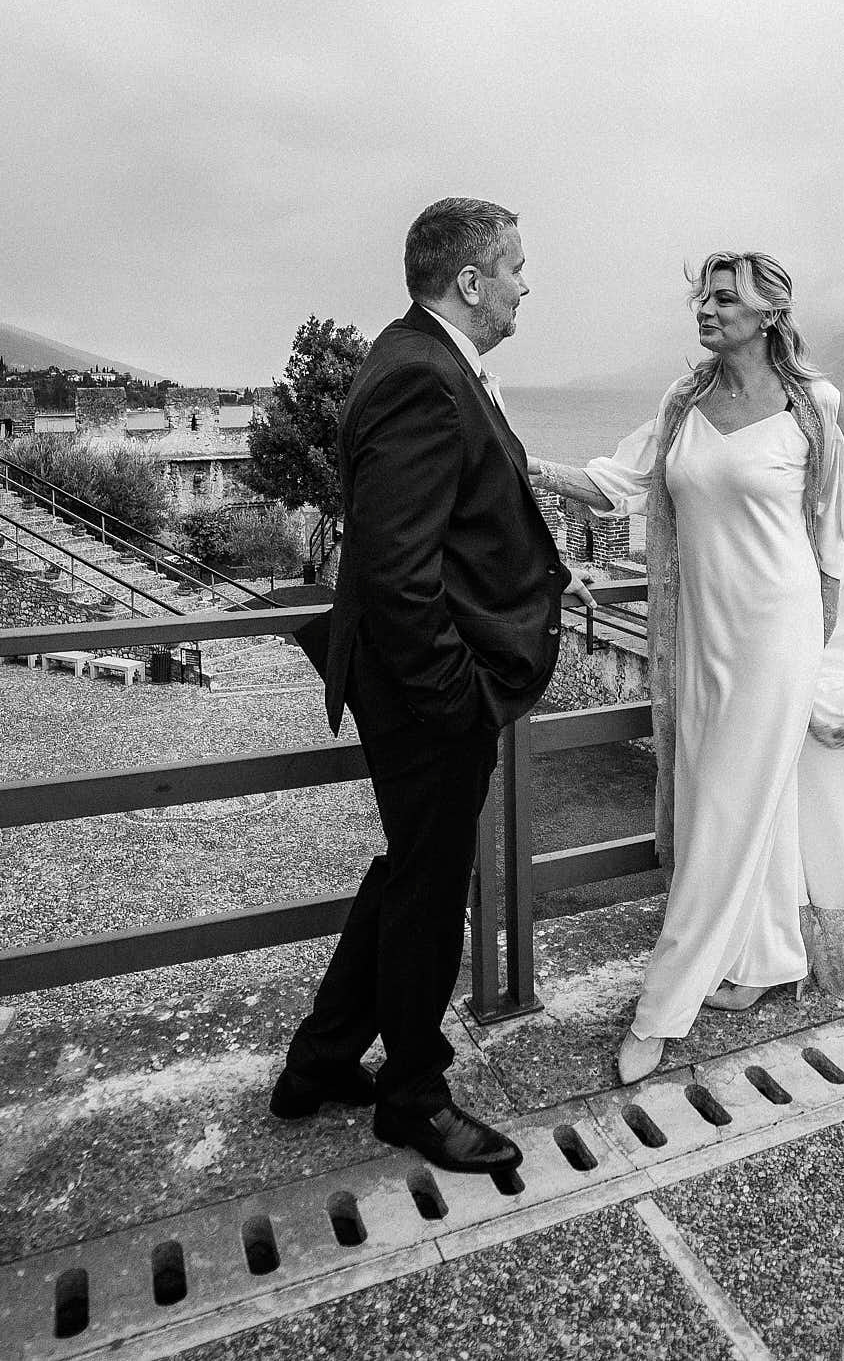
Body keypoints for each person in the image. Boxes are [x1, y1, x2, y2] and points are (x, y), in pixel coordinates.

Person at [530, 251, 844, 1085]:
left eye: (724, 298)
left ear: (768, 313)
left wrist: (819, 642)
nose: (706, 308)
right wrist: (520, 461)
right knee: (725, 799)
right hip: (704, 641)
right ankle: (766, 959)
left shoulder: (814, 405)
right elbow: (614, 483)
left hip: (779, 637)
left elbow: (831, 538)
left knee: (724, 813)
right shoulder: (683, 402)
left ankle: (661, 1006)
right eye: (702, 296)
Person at [270, 197, 590, 1176]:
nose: (528, 284)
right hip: (423, 694)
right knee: (430, 884)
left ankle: (321, 1058)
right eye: (517, 267)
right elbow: (398, 570)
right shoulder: (422, 376)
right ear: (470, 281)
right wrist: (458, 700)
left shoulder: (419, 357)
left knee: (412, 870)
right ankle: (412, 1092)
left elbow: (449, 529)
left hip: (413, 684)